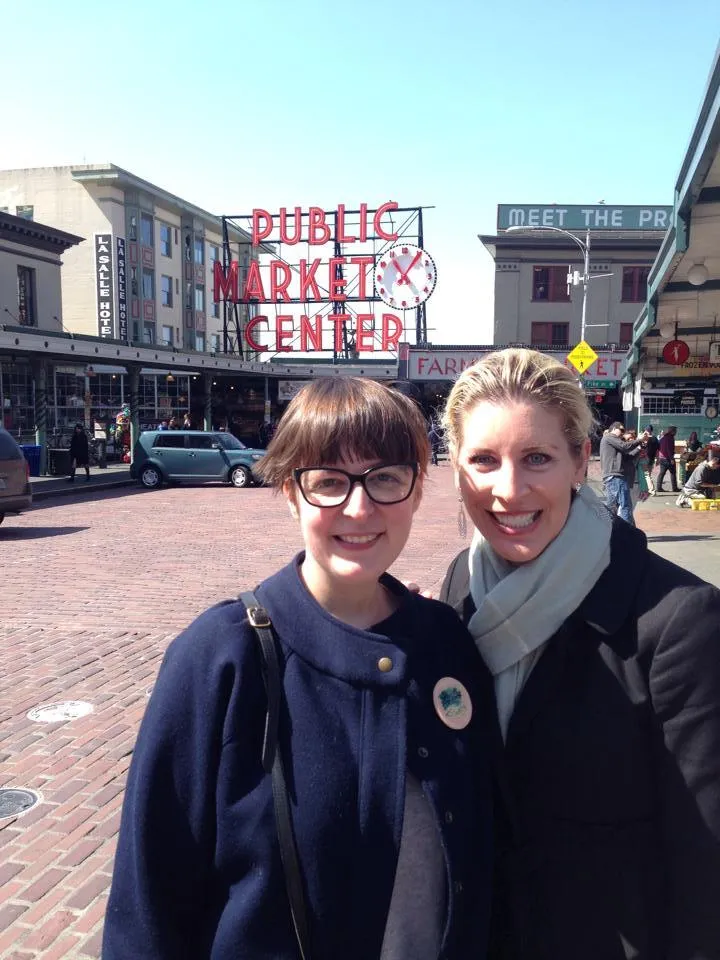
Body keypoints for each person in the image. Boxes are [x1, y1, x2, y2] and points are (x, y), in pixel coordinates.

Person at [103, 377, 495, 960]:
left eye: (386, 478)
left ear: (415, 491)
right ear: (292, 492)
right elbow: (148, 901)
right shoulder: (219, 658)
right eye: (329, 482)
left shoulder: (446, 644)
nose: (359, 508)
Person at [439, 347, 720, 960]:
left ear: (580, 462)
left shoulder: (679, 620)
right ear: (456, 470)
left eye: (536, 457)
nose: (508, 490)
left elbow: (706, 864)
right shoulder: (460, 584)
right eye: (483, 460)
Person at [599, 421, 647, 525]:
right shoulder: (609, 437)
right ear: (613, 428)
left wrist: (640, 448)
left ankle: (610, 532)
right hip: (616, 477)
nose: (622, 433)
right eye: (621, 430)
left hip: (613, 477)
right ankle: (626, 534)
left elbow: (628, 457)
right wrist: (639, 440)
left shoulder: (614, 443)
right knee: (625, 506)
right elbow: (624, 446)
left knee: (612, 508)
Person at [656, 425, 679, 492]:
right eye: (675, 431)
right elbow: (668, 449)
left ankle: (659, 487)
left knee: (661, 473)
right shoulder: (670, 438)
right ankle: (674, 488)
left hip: (662, 458)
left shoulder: (663, 437)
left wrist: (658, 457)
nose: (676, 432)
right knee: (673, 473)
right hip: (668, 458)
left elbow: (659, 447)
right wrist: (671, 459)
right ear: (672, 431)